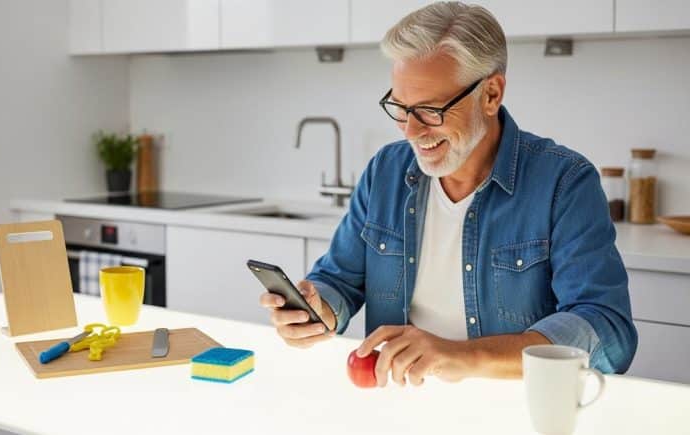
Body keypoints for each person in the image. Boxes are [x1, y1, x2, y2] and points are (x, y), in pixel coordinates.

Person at [259, 1, 637, 386]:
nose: (410, 131)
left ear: (491, 94)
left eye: (430, 111)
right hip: (403, 403)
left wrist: (462, 356)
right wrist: (319, 309)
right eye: (401, 108)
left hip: (517, 410)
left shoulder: (564, 182)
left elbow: (607, 328)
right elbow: (338, 280)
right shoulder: (385, 171)